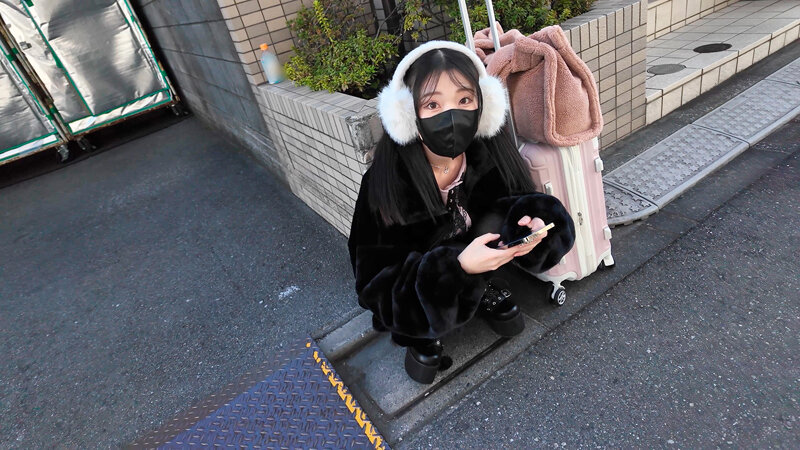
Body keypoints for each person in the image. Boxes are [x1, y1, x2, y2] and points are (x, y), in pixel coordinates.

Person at [347, 41, 575, 384]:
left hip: (475, 262)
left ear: (483, 105)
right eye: (432, 104)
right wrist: (457, 269)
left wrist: (533, 228)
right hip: (415, 287)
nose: (451, 116)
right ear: (406, 115)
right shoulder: (386, 183)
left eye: (464, 100)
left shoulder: (489, 154)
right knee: (417, 316)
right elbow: (374, 285)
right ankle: (423, 332)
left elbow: (521, 204)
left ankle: (480, 289)